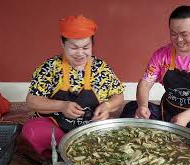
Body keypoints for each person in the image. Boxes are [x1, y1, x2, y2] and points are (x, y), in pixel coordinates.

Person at [22, 15, 125, 157]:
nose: (80, 53)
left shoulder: (101, 68)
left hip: (90, 127)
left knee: (119, 135)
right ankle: (70, 150)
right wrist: (61, 106)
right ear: (63, 44)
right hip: (57, 127)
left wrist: (107, 106)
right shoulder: (50, 67)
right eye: (74, 47)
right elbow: (32, 101)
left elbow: (118, 96)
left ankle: (72, 150)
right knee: (31, 131)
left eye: (85, 47)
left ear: (92, 46)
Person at [120, 5, 190, 133]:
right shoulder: (161, 55)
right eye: (173, 34)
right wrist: (143, 106)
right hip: (167, 115)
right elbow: (144, 84)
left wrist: (185, 117)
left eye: (184, 34)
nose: (179, 40)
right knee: (132, 108)